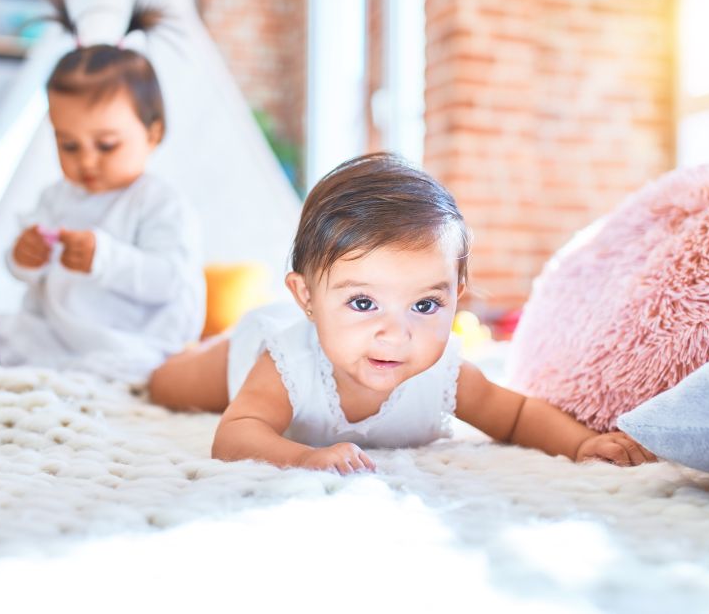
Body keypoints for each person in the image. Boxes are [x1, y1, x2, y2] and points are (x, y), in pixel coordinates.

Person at [148, 152, 656, 474]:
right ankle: (172, 349)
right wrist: (304, 458)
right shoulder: (285, 365)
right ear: (306, 298)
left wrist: (581, 443)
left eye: (425, 304)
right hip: (248, 351)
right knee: (167, 384)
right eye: (363, 303)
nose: (396, 333)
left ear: (456, 297)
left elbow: (518, 414)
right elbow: (235, 435)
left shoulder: (443, 372)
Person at [0, 3, 205, 385]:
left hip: (130, 342)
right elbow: (25, 274)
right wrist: (23, 258)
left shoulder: (158, 202)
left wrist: (104, 257)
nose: (86, 161)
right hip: (56, 334)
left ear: (152, 134)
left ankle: (59, 387)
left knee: (133, 376)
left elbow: (169, 280)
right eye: (69, 145)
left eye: (105, 145)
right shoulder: (57, 198)